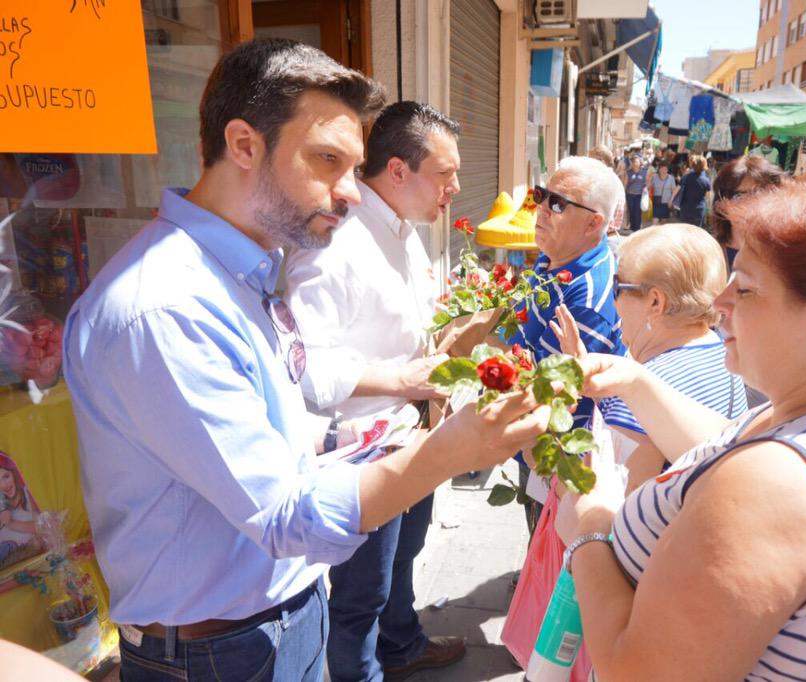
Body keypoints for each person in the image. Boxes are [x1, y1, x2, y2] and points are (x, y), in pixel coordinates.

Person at [62, 38, 549, 681]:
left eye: (354, 166)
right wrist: (452, 451)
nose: (350, 192)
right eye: (327, 161)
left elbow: (273, 419)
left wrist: (350, 433)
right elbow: (288, 514)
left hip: (276, 620)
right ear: (243, 145)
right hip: (219, 652)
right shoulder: (165, 306)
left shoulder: (246, 271)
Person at [553, 169, 806, 680]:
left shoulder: (773, 490)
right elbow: (728, 447)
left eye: (745, 289)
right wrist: (636, 381)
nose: (719, 303)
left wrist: (591, 529)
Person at [285, 101, 464, 681]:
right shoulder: (336, 243)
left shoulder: (405, 232)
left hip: (410, 429)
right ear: (397, 171)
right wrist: (403, 380)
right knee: (361, 594)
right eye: (445, 173)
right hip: (362, 448)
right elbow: (304, 364)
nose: (455, 188)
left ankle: (403, 643)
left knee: (404, 556)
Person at [553, 224, 747, 493]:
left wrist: (534, 447)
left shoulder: (634, 395)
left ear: (656, 302)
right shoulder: (720, 350)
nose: (613, 300)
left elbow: (601, 501)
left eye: (618, 286)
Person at [511, 156, 628, 532]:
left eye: (557, 204)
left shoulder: (590, 296)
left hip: (558, 455)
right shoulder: (552, 257)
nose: (541, 210)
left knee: (548, 553)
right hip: (533, 444)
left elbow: (542, 388)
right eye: (541, 195)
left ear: (595, 222)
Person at [708, 155, 786, 269]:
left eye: (759, 193)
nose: (750, 203)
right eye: (739, 196)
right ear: (722, 202)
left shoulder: (783, 256)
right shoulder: (707, 252)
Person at [0, 453, 42, 570]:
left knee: (36, 544)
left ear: (13, 474)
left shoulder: (28, 492)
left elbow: (41, 527)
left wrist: (10, 523)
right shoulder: (1, 502)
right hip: (5, 560)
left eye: (6, 476)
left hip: (23, 556)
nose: (3, 485)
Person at [672, 154, 711, 226]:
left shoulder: (686, 177)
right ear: (704, 166)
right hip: (699, 210)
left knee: (685, 231)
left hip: (685, 209)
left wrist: (671, 200)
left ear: (693, 165)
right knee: (696, 233)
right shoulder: (706, 180)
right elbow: (708, 197)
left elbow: (677, 189)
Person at [621, 155, 648, 232]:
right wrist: (623, 194)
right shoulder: (628, 172)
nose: (635, 163)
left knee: (638, 212)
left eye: (637, 162)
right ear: (632, 163)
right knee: (631, 211)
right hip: (630, 194)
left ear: (640, 163)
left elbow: (647, 182)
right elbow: (625, 184)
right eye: (633, 162)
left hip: (639, 195)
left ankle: (637, 228)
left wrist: (646, 188)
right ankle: (632, 227)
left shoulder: (644, 172)